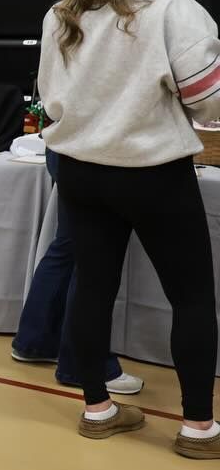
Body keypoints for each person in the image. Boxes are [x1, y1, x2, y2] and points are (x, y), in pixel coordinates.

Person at [38, 0, 220, 457]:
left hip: (79, 168)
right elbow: (209, 102)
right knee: (190, 296)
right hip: (152, 172)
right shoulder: (172, 7)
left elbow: (49, 96)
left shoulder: (60, 14)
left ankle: (97, 408)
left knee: (92, 286)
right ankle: (197, 426)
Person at [10, 149, 144, 395]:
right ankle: (84, 364)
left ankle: (36, 341)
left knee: (69, 245)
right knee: (92, 254)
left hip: (69, 148)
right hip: (97, 152)